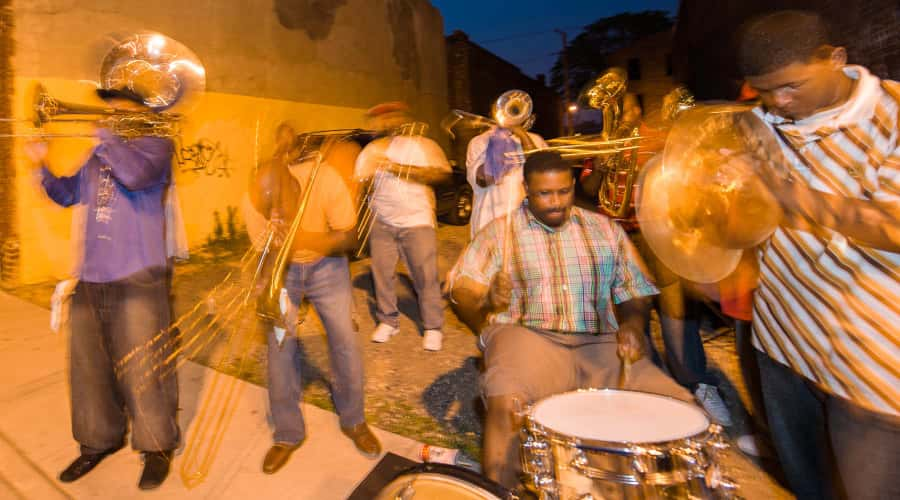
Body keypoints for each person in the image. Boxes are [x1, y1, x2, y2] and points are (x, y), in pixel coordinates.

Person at [448, 150, 695, 489]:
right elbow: (461, 292)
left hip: (600, 341)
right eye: (544, 194)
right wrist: (486, 299)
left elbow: (635, 288)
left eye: (563, 191)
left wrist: (634, 324)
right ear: (526, 190)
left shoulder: (604, 229)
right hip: (528, 335)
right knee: (507, 399)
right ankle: (500, 492)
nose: (556, 203)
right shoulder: (499, 233)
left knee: (679, 408)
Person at [738, 10, 900, 499]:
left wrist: (786, 195)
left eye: (792, 86)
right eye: (765, 91)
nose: (780, 103)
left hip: (871, 364)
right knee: (808, 487)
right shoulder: (757, 122)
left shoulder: (892, 117)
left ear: (836, 59)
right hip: (782, 342)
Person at [24, 86, 179, 490]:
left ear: (138, 113)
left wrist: (105, 136)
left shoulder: (157, 146)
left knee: (146, 370)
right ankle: (97, 441)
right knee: (89, 369)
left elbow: (135, 175)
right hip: (92, 275)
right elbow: (66, 194)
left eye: (117, 110)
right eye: (107, 110)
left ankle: (157, 447)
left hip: (138, 275)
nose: (109, 115)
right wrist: (41, 167)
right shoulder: (99, 153)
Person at [580, 86, 735, 426]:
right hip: (618, 240)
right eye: (614, 111)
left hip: (662, 236)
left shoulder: (662, 140)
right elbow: (590, 192)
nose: (621, 117)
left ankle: (697, 383)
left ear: (639, 110)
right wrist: (604, 167)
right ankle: (651, 387)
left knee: (675, 315)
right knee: (631, 317)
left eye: (626, 109)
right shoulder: (602, 144)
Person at [247, 133, 381, 474]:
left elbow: (348, 238)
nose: (273, 214)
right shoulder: (253, 200)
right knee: (280, 346)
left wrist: (300, 237)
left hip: (326, 266)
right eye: (268, 210)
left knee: (345, 342)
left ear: (297, 190)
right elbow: (264, 256)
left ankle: (354, 420)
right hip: (283, 271)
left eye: (281, 207)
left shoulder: (324, 181)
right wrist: (267, 289)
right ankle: (288, 433)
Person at [354, 102, 452, 351]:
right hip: (382, 221)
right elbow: (360, 183)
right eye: (379, 119)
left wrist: (396, 168)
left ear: (401, 119)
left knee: (425, 276)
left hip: (417, 221)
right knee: (382, 274)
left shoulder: (423, 145)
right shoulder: (371, 150)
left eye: (391, 117)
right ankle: (388, 321)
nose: (385, 122)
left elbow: (442, 173)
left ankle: (432, 327)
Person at [464, 97, 548, 238]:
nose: (509, 114)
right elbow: (483, 180)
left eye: (514, 109)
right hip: (489, 223)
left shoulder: (536, 140)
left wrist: (522, 136)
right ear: (494, 113)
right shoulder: (479, 142)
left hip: (528, 226)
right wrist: (500, 142)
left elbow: (544, 175)